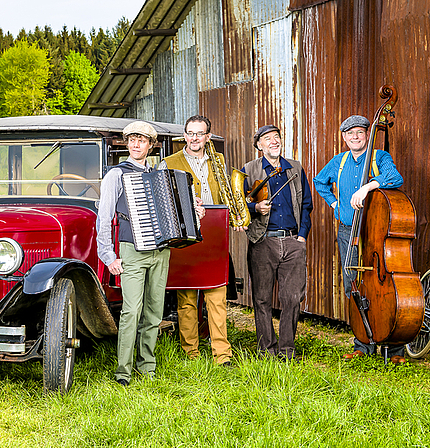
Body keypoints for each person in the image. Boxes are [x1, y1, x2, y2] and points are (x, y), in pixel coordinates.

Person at [313, 115, 407, 365]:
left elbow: (395, 178)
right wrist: (335, 204)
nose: (355, 137)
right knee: (352, 283)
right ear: (344, 137)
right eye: (350, 133)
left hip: (376, 231)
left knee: (387, 287)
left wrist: (367, 187)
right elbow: (319, 182)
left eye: (359, 132)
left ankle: (395, 347)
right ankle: (362, 343)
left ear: (368, 134)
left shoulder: (378, 158)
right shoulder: (339, 161)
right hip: (349, 231)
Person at [96, 121, 172, 386]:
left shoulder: (161, 175)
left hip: (161, 251)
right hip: (131, 251)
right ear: (127, 144)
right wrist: (108, 255)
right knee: (131, 311)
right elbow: (103, 218)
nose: (136, 145)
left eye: (142, 140)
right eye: (132, 140)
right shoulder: (116, 175)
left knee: (154, 312)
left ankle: (147, 366)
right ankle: (123, 372)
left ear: (151, 145)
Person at [159, 115, 233, 367]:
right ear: (184, 135)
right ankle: (190, 353)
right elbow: (164, 203)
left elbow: (225, 193)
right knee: (187, 298)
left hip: (214, 234)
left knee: (217, 297)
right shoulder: (168, 163)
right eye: (190, 133)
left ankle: (222, 356)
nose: (194, 138)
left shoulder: (219, 161)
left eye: (199, 134)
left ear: (207, 137)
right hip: (185, 234)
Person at [240, 124, 313, 361]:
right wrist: (255, 208)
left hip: (292, 241)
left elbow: (306, 205)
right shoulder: (248, 170)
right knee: (261, 299)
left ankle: (287, 350)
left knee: (292, 298)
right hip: (263, 241)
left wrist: (301, 235)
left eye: (277, 137)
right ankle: (266, 350)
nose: (274, 141)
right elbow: (239, 205)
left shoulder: (295, 168)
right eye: (267, 139)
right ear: (259, 145)